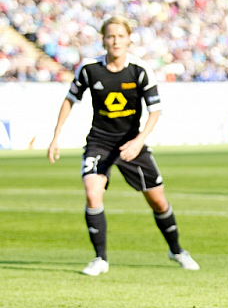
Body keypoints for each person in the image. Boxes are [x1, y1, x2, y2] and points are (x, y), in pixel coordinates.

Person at [47, 15, 199, 276]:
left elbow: (155, 112)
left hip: (131, 143)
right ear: (103, 40)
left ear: (129, 39)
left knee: (158, 202)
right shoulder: (89, 69)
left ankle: (176, 250)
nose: (115, 41)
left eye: (120, 36)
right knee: (92, 191)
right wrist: (56, 136)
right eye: (110, 36)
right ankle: (100, 259)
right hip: (99, 142)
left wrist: (139, 142)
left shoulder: (139, 70)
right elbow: (70, 99)